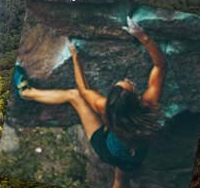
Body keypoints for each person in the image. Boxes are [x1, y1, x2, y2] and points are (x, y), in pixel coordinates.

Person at [14, 16, 167, 188]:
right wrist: (142, 36)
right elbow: (160, 65)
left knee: (74, 96)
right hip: (133, 157)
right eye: (128, 83)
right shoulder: (148, 106)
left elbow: (83, 90)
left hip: (108, 151)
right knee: (121, 179)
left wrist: (75, 58)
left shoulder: (105, 107)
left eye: (126, 83)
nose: (127, 79)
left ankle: (27, 93)